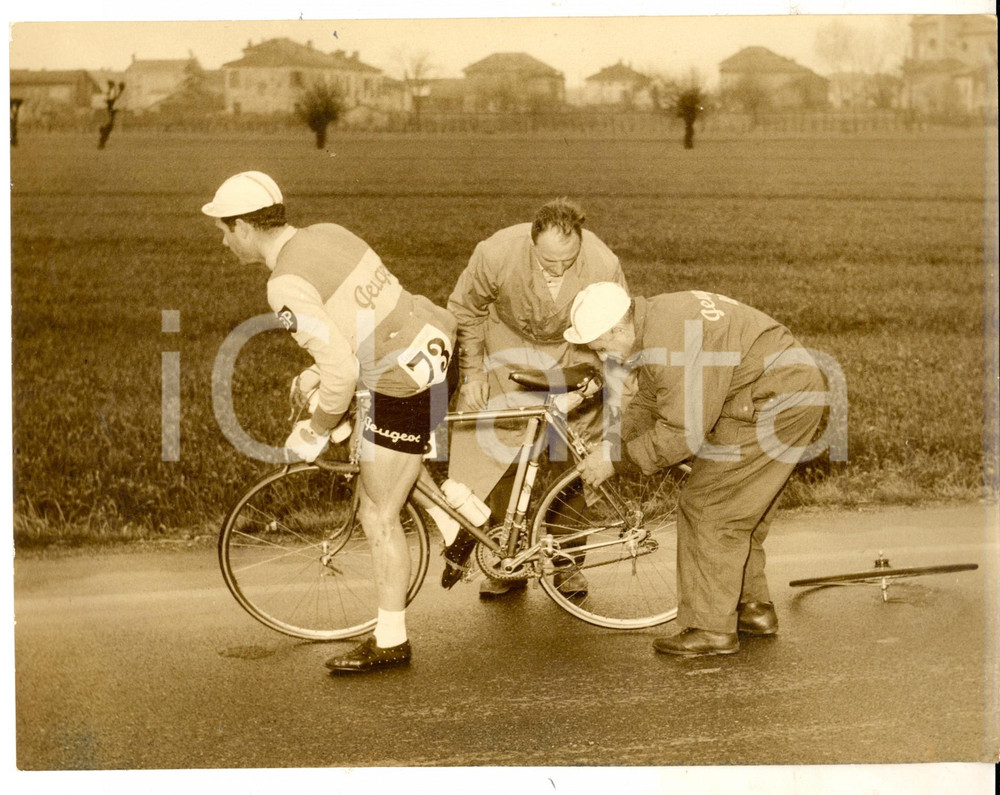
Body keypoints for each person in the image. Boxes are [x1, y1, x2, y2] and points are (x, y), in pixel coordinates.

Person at [203, 171, 457, 674]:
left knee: (377, 513)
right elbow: (364, 320)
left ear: (245, 228)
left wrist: (316, 429)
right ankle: (460, 523)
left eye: (224, 231)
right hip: (430, 340)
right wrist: (318, 375)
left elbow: (342, 371)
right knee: (383, 460)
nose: (223, 242)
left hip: (401, 377)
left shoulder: (284, 284)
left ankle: (391, 641)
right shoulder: (328, 232)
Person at [567, 282, 826, 658]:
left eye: (603, 348)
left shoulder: (669, 342)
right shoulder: (656, 320)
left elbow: (680, 435)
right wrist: (613, 442)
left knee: (709, 507)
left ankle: (711, 629)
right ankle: (751, 608)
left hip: (773, 400)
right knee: (739, 509)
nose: (605, 358)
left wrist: (616, 461)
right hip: (782, 388)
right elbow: (653, 398)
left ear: (618, 328)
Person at [442, 198, 628, 597]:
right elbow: (465, 310)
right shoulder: (495, 253)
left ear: (580, 242)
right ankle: (506, 557)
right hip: (507, 346)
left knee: (573, 453)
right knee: (500, 450)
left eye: (568, 261)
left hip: (575, 349)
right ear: (532, 243)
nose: (559, 269)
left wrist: (605, 383)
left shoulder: (602, 262)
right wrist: (473, 374)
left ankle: (567, 560)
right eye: (549, 262)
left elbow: (617, 326)